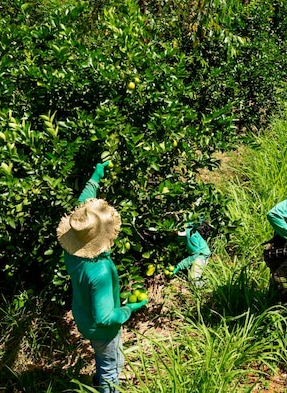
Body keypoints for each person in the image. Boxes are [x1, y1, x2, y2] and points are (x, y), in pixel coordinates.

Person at [56, 161, 147, 393]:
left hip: (83, 317)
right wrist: (131, 309)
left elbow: (83, 207)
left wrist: (95, 176)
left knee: (106, 358)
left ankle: (99, 382)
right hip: (101, 329)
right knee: (111, 366)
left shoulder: (72, 247)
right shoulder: (101, 271)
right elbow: (106, 317)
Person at [167, 219, 212, 287]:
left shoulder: (190, 235)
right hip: (201, 253)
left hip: (201, 255)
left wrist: (179, 266)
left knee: (193, 282)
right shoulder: (186, 230)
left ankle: (209, 284)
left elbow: (195, 255)